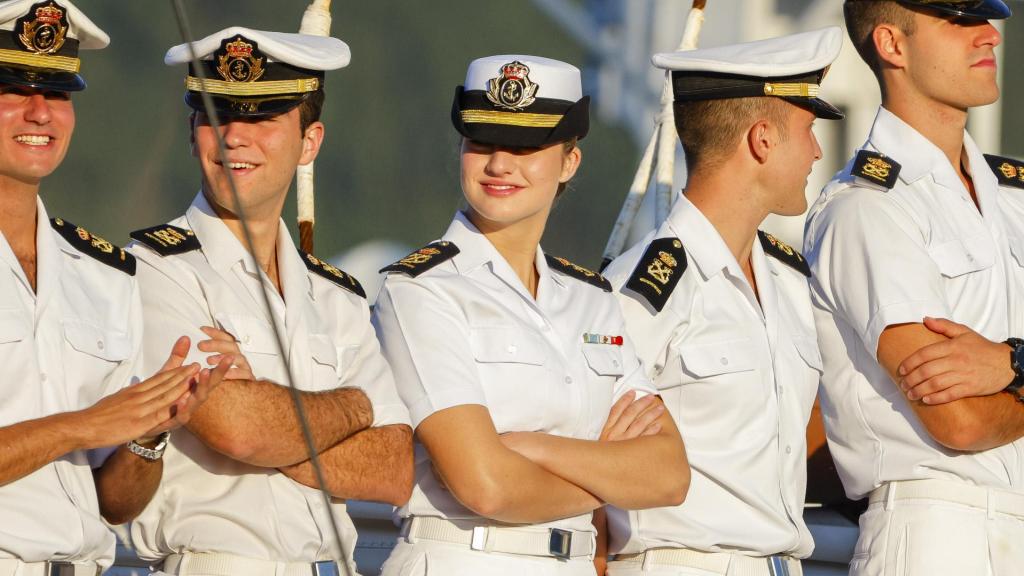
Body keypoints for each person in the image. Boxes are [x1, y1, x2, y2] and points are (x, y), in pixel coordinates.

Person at [372, 54, 689, 576]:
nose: (499, 164)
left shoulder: (591, 298)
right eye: (481, 142)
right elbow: (485, 486)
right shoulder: (420, 290)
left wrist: (530, 447)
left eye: (525, 147)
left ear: (569, 162)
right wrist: (606, 474)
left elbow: (668, 475)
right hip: (464, 560)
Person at [127, 27, 414, 576]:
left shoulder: (336, 296)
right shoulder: (154, 269)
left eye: (262, 118)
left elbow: (395, 465)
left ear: (310, 142)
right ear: (192, 132)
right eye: (216, 116)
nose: (235, 136)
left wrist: (268, 416)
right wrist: (355, 407)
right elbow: (237, 428)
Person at [601, 27, 844, 576]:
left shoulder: (789, 281)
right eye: (807, 130)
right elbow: (590, 455)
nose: (816, 150)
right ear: (762, 140)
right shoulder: (644, 289)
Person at [0, 1, 227, 574]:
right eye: (13, 89)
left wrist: (150, 430)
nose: (40, 112)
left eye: (58, 93)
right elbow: (88, 427)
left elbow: (114, 504)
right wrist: (85, 425)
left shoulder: (104, 274)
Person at [803, 1, 1024, 574]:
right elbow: (960, 421)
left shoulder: (1014, 198)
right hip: (940, 531)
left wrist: (1009, 364)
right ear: (892, 45)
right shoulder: (866, 209)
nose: (990, 36)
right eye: (960, 20)